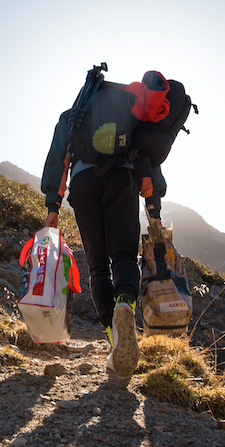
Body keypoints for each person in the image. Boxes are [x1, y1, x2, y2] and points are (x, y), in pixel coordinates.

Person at [41, 70, 170, 378]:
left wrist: (53, 206)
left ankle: (114, 340)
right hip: (123, 180)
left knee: (98, 267)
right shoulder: (132, 113)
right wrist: (153, 208)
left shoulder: (75, 115)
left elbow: (59, 157)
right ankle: (125, 304)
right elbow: (147, 161)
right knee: (124, 258)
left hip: (84, 183)